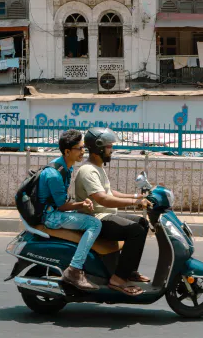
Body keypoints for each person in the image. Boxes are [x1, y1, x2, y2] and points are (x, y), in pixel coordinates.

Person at [75, 127, 151, 297]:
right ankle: (117, 279)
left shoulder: (97, 167)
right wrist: (135, 202)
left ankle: (129, 271)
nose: (112, 150)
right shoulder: (88, 170)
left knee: (142, 223)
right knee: (136, 231)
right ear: (99, 148)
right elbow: (103, 199)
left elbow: (109, 192)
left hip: (106, 215)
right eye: (109, 147)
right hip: (96, 219)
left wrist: (136, 196)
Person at [38, 129, 102, 291]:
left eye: (83, 148)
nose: (83, 152)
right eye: (79, 148)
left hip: (57, 211)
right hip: (51, 216)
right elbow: (62, 205)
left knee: (89, 217)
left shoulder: (66, 167)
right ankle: (74, 269)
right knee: (95, 225)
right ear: (67, 151)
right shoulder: (54, 174)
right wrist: (81, 204)